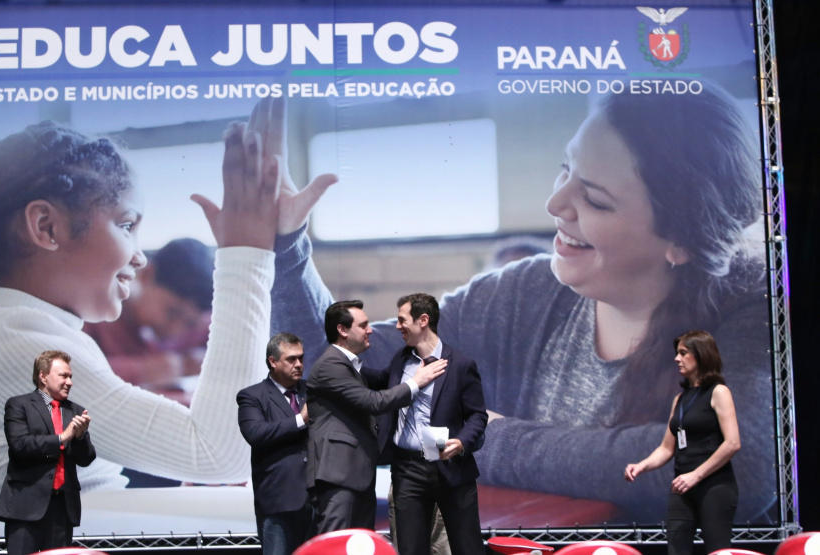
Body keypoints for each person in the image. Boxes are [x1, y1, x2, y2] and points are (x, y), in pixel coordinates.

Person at [267, 85, 775, 522]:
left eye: (595, 198)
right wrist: (286, 246)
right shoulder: (522, 295)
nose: (555, 204)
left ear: (681, 240)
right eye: (565, 168)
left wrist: (490, 439)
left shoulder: (750, 309)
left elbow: (733, 463)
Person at [0, 98, 335, 532]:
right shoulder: (19, 346)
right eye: (127, 225)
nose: (139, 257)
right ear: (47, 227)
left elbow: (209, 456)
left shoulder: (29, 333)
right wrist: (246, 254)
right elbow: (221, 453)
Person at [305, 300, 447, 533]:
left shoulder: (349, 366)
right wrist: (417, 381)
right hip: (337, 475)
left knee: (360, 544)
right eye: (363, 325)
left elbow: (383, 379)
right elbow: (373, 402)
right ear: (342, 330)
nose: (370, 330)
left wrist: (408, 354)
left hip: (355, 475)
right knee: (336, 544)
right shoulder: (331, 364)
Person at [365, 294, 487, 555]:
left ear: (423, 320)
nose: (397, 326)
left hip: (452, 467)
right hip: (407, 469)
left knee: (467, 548)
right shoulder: (401, 359)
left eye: (402, 320)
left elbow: (478, 415)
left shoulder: (461, 365)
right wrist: (346, 362)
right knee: (410, 549)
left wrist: (461, 442)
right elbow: (380, 380)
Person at [624, 330, 740, 555]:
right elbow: (666, 448)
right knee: (677, 549)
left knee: (718, 550)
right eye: (677, 353)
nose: (677, 359)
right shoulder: (680, 399)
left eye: (683, 353)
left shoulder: (719, 392)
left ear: (701, 355)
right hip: (682, 486)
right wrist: (641, 465)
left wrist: (695, 475)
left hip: (714, 486)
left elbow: (732, 443)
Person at [0, 350, 97, 555]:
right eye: (64, 376)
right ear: (43, 376)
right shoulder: (19, 405)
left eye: (70, 377)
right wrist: (63, 437)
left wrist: (79, 437)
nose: (69, 382)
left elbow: (86, 459)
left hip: (62, 508)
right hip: (25, 506)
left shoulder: (76, 411)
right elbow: (20, 445)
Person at [83, 238, 215, 390]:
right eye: (171, 313)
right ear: (147, 275)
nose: (175, 331)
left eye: (189, 324)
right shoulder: (91, 310)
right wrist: (143, 371)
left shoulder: (171, 326)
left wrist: (202, 359)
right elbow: (70, 369)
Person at [237, 333, 314, 555]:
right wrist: (301, 420)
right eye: (291, 359)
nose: (298, 364)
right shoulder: (252, 396)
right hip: (279, 501)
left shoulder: (313, 392)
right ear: (273, 361)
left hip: (318, 500)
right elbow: (256, 433)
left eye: (301, 358)